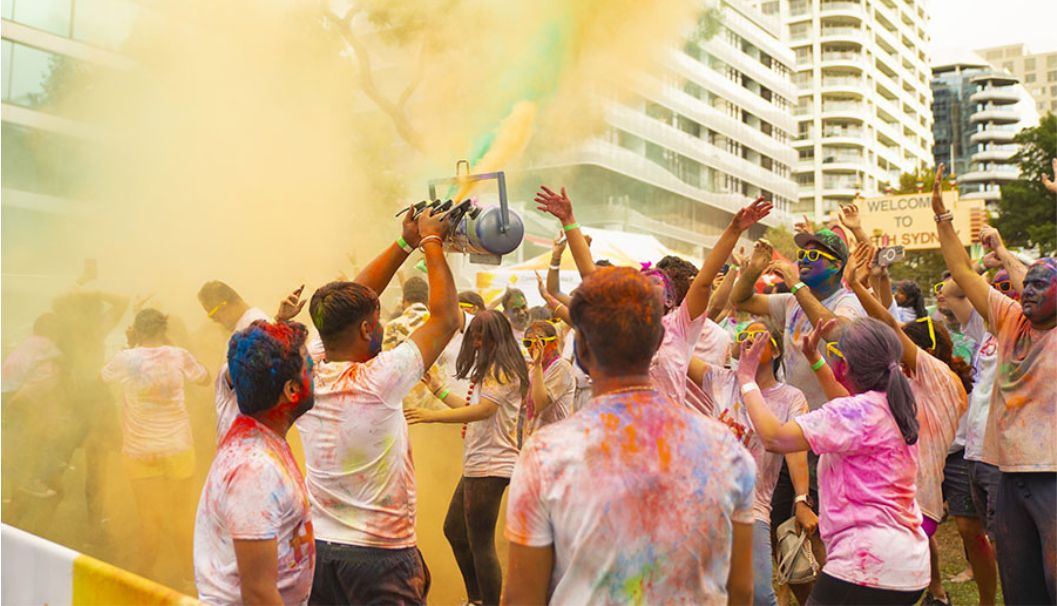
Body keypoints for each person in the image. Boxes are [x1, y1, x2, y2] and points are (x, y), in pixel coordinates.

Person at [500, 267, 756, 605]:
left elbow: (521, 598)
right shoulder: (725, 450)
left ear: (581, 351)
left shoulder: (545, 456)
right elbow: (742, 590)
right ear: (657, 342)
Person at [296, 207, 458, 605]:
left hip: (319, 552)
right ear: (367, 328)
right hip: (380, 556)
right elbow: (446, 319)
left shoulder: (305, 368)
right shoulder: (381, 378)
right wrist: (431, 242)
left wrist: (405, 242)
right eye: (377, 320)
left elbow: (347, 302)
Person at [931, 163, 1057, 605]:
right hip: (1006, 473)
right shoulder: (1008, 319)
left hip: (1052, 475)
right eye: (1028, 284)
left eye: (1041, 284)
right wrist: (942, 217)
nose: (1030, 291)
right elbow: (962, 273)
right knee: (1019, 584)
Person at [737, 317, 929, 605]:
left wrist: (746, 380)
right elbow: (846, 404)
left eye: (836, 354)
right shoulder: (893, 405)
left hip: (865, 565)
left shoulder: (852, 413)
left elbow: (774, 438)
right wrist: (815, 359)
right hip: (910, 565)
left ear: (846, 365)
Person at [534, 184, 773, 406]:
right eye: (644, 281)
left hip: (668, 430)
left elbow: (703, 283)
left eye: (657, 282)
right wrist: (569, 220)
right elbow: (589, 274)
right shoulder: (622, 326)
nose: (648, 284)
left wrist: (734, 229)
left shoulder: (678, 327)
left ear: (670, 299)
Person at [845, 247, 973, 605]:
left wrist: (857, 286)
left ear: (924, 351)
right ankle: (937, 594)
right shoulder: (921, 380)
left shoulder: (937, 377)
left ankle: (933, 593)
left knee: (892, 584)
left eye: (903, 349)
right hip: (907, 498)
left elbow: (888, 326)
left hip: (914, 500)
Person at [405, 310, 528, 606]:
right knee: (455, 530)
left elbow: (484, 411)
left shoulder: (503, 370)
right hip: (479, 463)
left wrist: (432, 416)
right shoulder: (490, 369)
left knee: (480, 542)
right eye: (474, 336)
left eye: (482, 337)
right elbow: (472, 407)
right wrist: (438, 390)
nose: (476, 342)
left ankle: (485, 602)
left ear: (497, 337)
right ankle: (477, 600)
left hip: (492, 463)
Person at [688, 320, 813, 606]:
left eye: (758, 336)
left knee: (759, 595)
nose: (748, 339)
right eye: (744, 335)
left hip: (751, 506)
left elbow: (795, 453)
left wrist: (802, 500)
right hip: (706, 502)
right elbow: (678, 352)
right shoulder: (720, 379)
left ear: (776, 351)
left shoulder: (790, 398)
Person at [193, 320, 316, 606]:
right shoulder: (255, 470)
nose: (316, 376)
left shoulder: (259, 435)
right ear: (292, 390)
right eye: (310, 370)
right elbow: (258, 595)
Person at [102, 308, 210, 581]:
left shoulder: (125, 358)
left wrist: (130, 346)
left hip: (140, 452)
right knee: (181, 514)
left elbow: (104, 377)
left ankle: (143, 579)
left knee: (148, 517)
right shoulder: (179, 354)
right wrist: (171, 347)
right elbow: (204, 378)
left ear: (136, 331)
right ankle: (189, 577)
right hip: (178, 449)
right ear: (164, 330)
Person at [935, 275, 999, 605]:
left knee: (978, 530)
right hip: (950, 449)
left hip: (979, 450)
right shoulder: (983, 330)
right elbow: (951, 289)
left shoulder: (1012, 328)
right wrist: (989, 269)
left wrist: (1002, 261)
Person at [197, 281, 272, 441]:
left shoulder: (255, 322)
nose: (215, 321)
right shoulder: (244, 324)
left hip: (253, 427)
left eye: (213, 314)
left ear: (225, 305)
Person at [383, 276, 446, 411]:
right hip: (439, 398)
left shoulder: (393, 326)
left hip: (407, 400)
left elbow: (387, 367)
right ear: (427, 300)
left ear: (404, 301)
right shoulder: (443, 326)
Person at [521, 320, 574, 440]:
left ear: (554, 344)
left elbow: (540, 404)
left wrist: (537, 365)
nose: (534, 348)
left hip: (555, 440)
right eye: (529, 343)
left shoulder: (562, 367)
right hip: (535, 440)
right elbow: (527, 409)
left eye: (541, 342)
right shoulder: (533, 370)